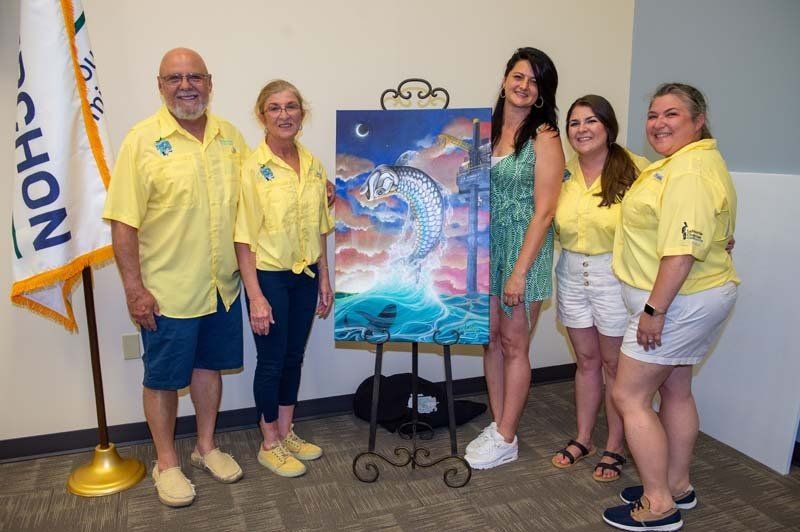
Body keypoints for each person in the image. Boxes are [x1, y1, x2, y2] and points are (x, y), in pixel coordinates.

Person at [103, 48, 247, 507]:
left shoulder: (231, 137)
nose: (186, 85)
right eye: (175, 78)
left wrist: (318, 189)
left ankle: (206, 447)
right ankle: (166, 462)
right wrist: (134, 290)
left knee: (209, 369)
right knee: (163, 378)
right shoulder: (141, 141)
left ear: (210, 81)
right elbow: (123, 222)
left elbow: (257, 196)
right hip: (167, 292)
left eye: (195, 77)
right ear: (160, 85)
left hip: (222, 286)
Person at [602, 83, 739, 531]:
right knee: (675, 389)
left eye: (672, 114)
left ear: (698, 121)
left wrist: (654, 311)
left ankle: (658, 504)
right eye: (653, 114)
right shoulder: (682, 164)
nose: (659, 123)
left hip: (676, 303)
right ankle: (677, 484)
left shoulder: (688, 171)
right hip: (691, 296)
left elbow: (680, 252)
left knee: (629, 395)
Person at [464, 47, 564, 469]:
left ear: (541, 93)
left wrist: (520, 272)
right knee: (491, 341)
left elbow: (545, 211)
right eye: (518, 76)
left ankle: (507, 435)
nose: (524, 86)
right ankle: (499, 423)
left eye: (534, 81)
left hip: (525, 251)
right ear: (505, 79)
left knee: (515, 344)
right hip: (489, 249)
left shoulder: (545, 137)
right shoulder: (482, 131)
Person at [234, 80, 333, 478]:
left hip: (306, 275)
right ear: (262, 116)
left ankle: (288, 431)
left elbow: (321, 227)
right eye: (274, 108)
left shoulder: (312, 165)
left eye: (291, 106)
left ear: (302, 114)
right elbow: (243, 239)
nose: (284, 114)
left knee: (294, 357)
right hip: (269, 279)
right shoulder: (252, 170)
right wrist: (255, 296)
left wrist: (324, 277)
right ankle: (269, 441)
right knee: (272, 362)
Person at [550, 95, 649, 481]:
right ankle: (584, 437)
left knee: (614, 365)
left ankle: (615, 445)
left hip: (615, 273)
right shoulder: (563, 173)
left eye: (591, 121)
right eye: (574, 123)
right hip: (571, 270)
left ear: (607, 126)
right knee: (586, 361)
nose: (582, 129)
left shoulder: (636, 169)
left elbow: (675, 213)